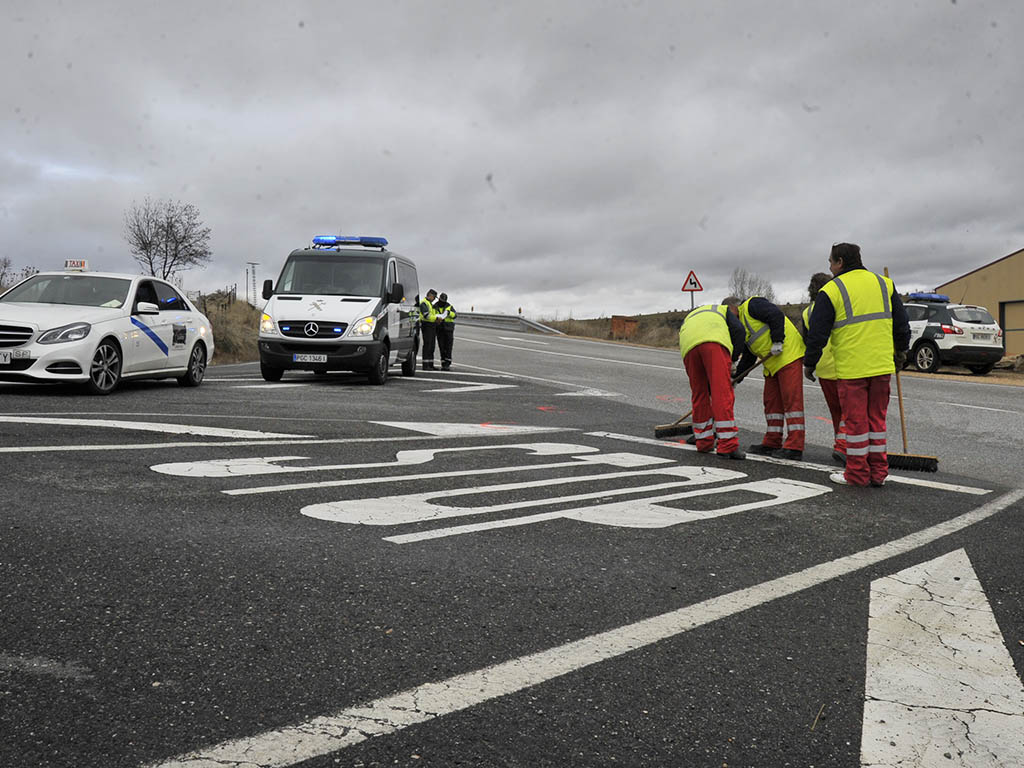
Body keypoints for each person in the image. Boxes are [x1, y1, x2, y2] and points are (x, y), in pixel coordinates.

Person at [804, 243, 911, 487]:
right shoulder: (884, 284)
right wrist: (901, 352)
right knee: (877, 422)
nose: (829, 268)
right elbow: (901, 323)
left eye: (830, 262)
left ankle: (857, 474)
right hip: (882, 366)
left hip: (853, 369)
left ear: (840, 261)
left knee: (856, 424)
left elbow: (818, 332)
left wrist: (810, 363)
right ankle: (878, 473)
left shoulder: (832, 290)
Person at [723, 294, 807, 460]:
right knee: (771, 403)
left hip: (788, 355)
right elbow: (748, 357)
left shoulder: (753, 305)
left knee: (792, 402)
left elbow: (775, 315)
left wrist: (778, 341)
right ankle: (772, 442)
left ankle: (794, 447)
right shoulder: (742, 327)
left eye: (728, 316)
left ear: (732, 308)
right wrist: (736, 378)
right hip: (773, 364)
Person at [677, 303, 748, 459]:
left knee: (700, 394)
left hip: (688, 346)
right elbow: (739, 331)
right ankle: (727, 445)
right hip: (713, 343)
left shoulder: (696, 314)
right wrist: (733, 359)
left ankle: (703, 442)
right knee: (721, 394)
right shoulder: (725, 311)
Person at [802, 272, 846, 465]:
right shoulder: (837, 303)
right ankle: (845, 446)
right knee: (850, 410)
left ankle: (840, 442)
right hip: (843, 364)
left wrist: (809, 365)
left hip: (823, 367)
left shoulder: (807, 312)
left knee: (837, 411)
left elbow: (808, 341)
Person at [433, 292, 457, 370]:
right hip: (440, 329)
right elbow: (432, 315)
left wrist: (449, 313)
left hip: (448, 329)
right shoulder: (435, 306)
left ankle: (447, 363)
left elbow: (455, 315)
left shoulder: (449, 307)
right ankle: (443, 362)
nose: (442, 302)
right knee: (442, 347)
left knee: (448, 347)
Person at [418, 289, 440, 370]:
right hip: (426, 325)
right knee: (427, 345)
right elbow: (426, 316)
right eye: (434, 297)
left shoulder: (430, 304)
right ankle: (425, 365)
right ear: (430, 295)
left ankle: (430, 364)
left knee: (432, 346)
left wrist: (437, 318)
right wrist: (436, 318)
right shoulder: (424, 303)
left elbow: (432, 314)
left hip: (432, 326)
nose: (434, 299)